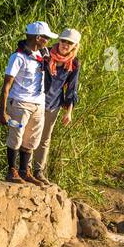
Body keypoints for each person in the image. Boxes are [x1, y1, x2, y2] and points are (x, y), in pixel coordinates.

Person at [0, 21, 56, 185]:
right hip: (20, 103)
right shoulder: (18, 57)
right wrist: (2, 111)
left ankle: (25, 171)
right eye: (45, 37)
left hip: (38, 103)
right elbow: (6, 85)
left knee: (32, 139)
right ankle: (12, 171)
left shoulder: (43, 57)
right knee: (16, 136)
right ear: (37, 37)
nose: (47, 41)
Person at [31, 27, 82, 184]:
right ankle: (24, 169)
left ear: (75, 46)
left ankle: (39, 171)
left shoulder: (74, 63)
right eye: (63, 40)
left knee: (45, 139)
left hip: (53, 104)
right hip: (36, 101)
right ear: (58, 41)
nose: (65, 44)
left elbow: (71, 89)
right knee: (31, 136)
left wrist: (69, 112)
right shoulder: (45, 54)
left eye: (69, 43)